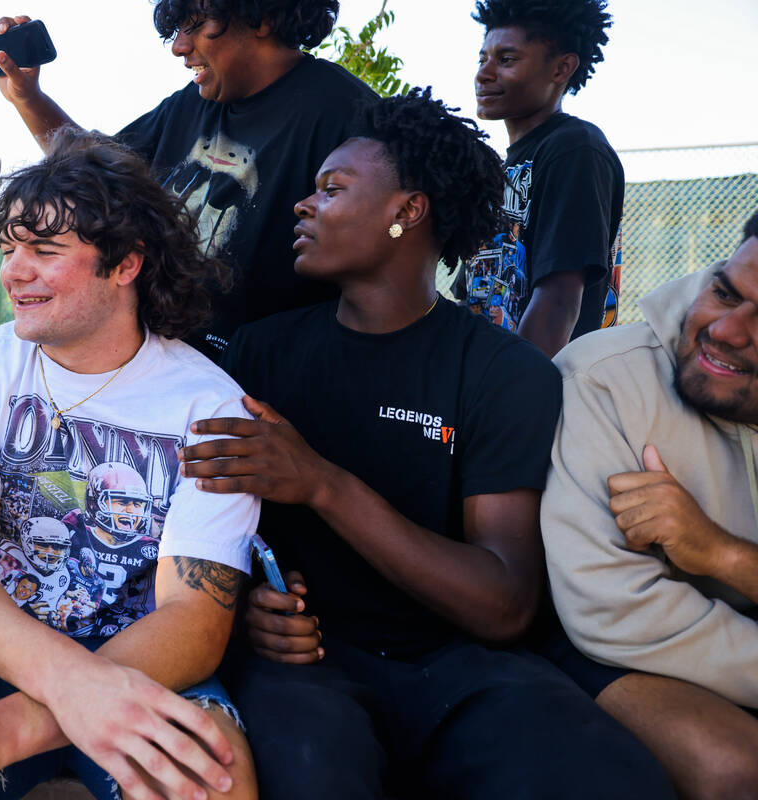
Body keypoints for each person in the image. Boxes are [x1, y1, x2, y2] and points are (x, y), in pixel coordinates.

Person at [178, 90, 673, 799]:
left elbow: (503, 603)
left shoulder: (503, 372)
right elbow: (211, 530)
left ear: (407, 213)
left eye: (332, 188)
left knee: (603, 776)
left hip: (460, 666)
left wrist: (324, 483)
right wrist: (251, 605)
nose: (302, 204)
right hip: (310, 662)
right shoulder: (260, 354)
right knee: (311, 773)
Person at [0, 129, 260, 800]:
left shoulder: (211, 404)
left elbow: (195, 621)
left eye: (44, 250)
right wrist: (69, 687)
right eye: (10, 250)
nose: (13, 271)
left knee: (206, 782)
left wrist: (11, 728)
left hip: (145, 662)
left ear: (125, 263)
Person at [0, 1, 377, 358]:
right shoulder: (190, 103)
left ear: (262, 17)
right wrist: (27, 97)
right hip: (164, 364)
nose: (179, 46)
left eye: (197, 25)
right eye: (177, 29)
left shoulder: (343, 111)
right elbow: (95, 168)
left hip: (266, 388)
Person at [542, 212, 758, 798]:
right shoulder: (604, 377)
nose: (728, 331)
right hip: (623, 646)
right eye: (725, 293)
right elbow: (613, 612)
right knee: (736, 769)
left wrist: (724, 554)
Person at [454, 0, 624, 357]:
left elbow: (559, 300)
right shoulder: (499, 169)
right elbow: (473, 297)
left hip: (539, 391)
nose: (484, 74)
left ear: (562, 68)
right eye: (482, 59)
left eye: (507, 60)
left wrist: (510, 395)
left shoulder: (575, 149)